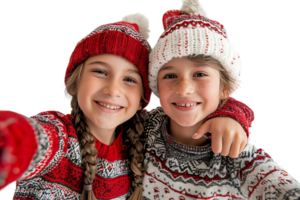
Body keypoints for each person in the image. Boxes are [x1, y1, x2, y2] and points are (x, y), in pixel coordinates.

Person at [0, 11, 255, 200]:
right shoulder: (59, 136)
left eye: (130, 79)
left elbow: (197, 106)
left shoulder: (148, 134)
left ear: (144, 97)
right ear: (75, 81)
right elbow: (28, 140)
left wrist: (230, 116)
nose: (113, 89)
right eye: (100, 71)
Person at [142, 0, 300, 199]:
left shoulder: (235, 150)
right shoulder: (147, 126)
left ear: (224, 87)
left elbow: (281, 186)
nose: (184, 89)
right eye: (170, 76)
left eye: (200, 74)